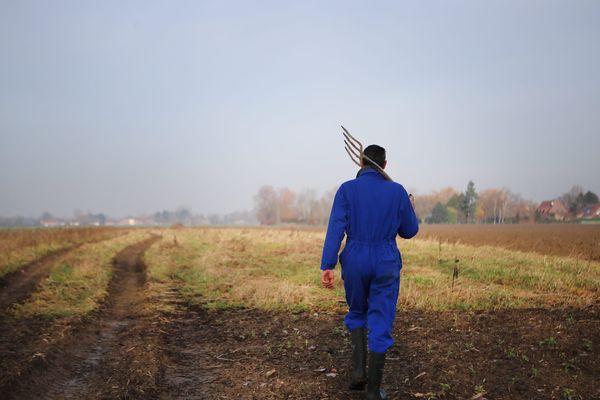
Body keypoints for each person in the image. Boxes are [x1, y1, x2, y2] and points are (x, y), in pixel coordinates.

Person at [320, 144, 418, 400]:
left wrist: (327, 265)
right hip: (385, 259)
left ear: (360, 164)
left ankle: (358, 373)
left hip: (354, 258)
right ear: (384, 166)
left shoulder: (346, 190)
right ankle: (373, 391)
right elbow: (409, 231)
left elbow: (335, 229)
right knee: (381, 319)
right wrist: (410, 207)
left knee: (357, 311)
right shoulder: (397, 192)